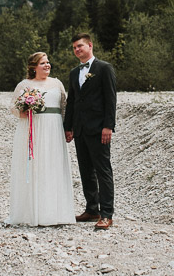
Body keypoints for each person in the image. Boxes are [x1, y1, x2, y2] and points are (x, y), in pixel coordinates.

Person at [6, 52, 75, 226]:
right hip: (33, 129)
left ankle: (56, 213)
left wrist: (68, 128)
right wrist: (24, 111)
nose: (47, 65)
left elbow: (64, 107)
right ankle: (33, 212)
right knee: (36, 167)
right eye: (43, 63)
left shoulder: (57, 84)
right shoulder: (24, 84)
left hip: (54, 129)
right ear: (34, 67)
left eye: (48, 62)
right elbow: (13, 107)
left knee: (53, 166)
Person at [64, 33, 117, 230]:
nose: (77, 50)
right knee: (86, 171)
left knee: (103, 170)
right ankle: (92, 209)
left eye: (80, 46)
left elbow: (110, 99)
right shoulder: (73, 73)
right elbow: (72, 102)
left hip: (98, 128)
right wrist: (68, 127)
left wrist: (108, 126)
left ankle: (106, 214)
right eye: (74, 48)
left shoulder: (104, 68)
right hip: (80, 129)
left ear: (90, 45)